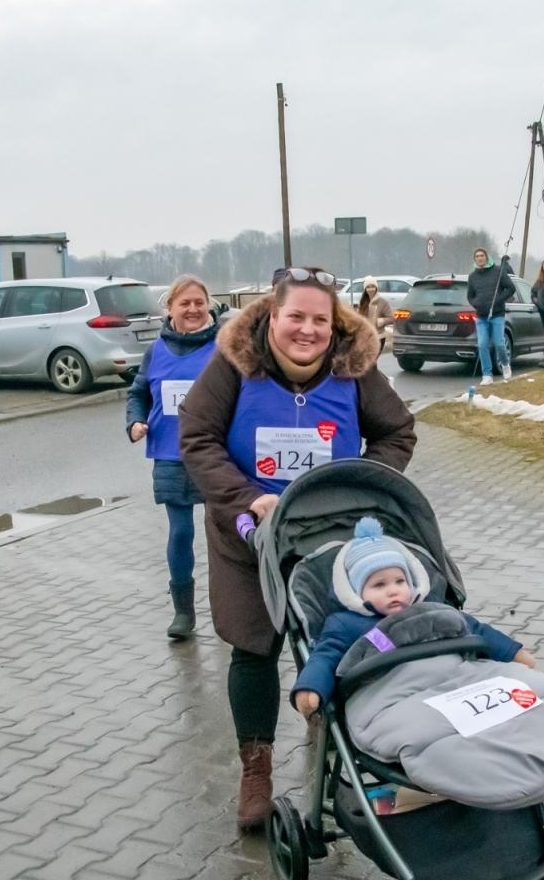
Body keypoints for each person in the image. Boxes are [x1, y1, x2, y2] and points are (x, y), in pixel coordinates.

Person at [179, 267, 416, 831]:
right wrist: (246, 498)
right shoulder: (234, 366)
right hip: (248, 538)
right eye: (296, 318)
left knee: (338, 644)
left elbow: (397, 432)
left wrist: (356, 488)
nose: (307, 330)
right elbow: (197, 436)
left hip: (328, 537)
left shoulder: (355, 370)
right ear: (272, 317)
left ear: (334, 325)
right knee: (254, 649)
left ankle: (334, 740)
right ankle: (255, 768)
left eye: (320, 320)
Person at [290, 517, 535, 718]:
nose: (393, 590)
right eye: (379, 585)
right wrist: (311, 688)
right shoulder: (345, 624)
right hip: (389, 695)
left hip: (453, 687)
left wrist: (512, 653)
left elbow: (476, 630)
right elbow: (325, 657)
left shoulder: (431, 609)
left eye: (400, 581)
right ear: (355, 592)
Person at [127, 274, 220, 637]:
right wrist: (135, 422)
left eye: (199, 302)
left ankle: (232, 607)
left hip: (218, 454)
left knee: (225, 535)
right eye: (185, 303)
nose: (193, 309)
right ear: (170, 308)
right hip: (171, 455)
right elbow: (138, 394)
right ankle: (184, 613)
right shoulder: (156, 350)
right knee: (181, 533)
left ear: (208, 305)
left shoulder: (225, 347)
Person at [466, 247, 514, 384]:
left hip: (497, 314)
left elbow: (511, 288)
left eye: (482, 255)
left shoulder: (497, 272)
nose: (480, 258)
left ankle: (505, 365)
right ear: (475, 259)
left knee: (499, 343)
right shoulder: (472, 276)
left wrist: (499, 300)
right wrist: (477, 304)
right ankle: (487, 375)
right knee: (482, 344)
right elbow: (470, 296)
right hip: (481, 316)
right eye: (477, 256)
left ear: (486, 257)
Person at [355, 276, 393, 352]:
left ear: (376, 288)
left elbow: (391, 318)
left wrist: (381, 321)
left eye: (373, 286)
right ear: (365, 289)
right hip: (365, 337)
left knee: (372, 361)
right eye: (368, 287)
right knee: (368, 362)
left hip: (379, 337)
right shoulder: (363, 302)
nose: (370, 289)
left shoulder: (382, 302)